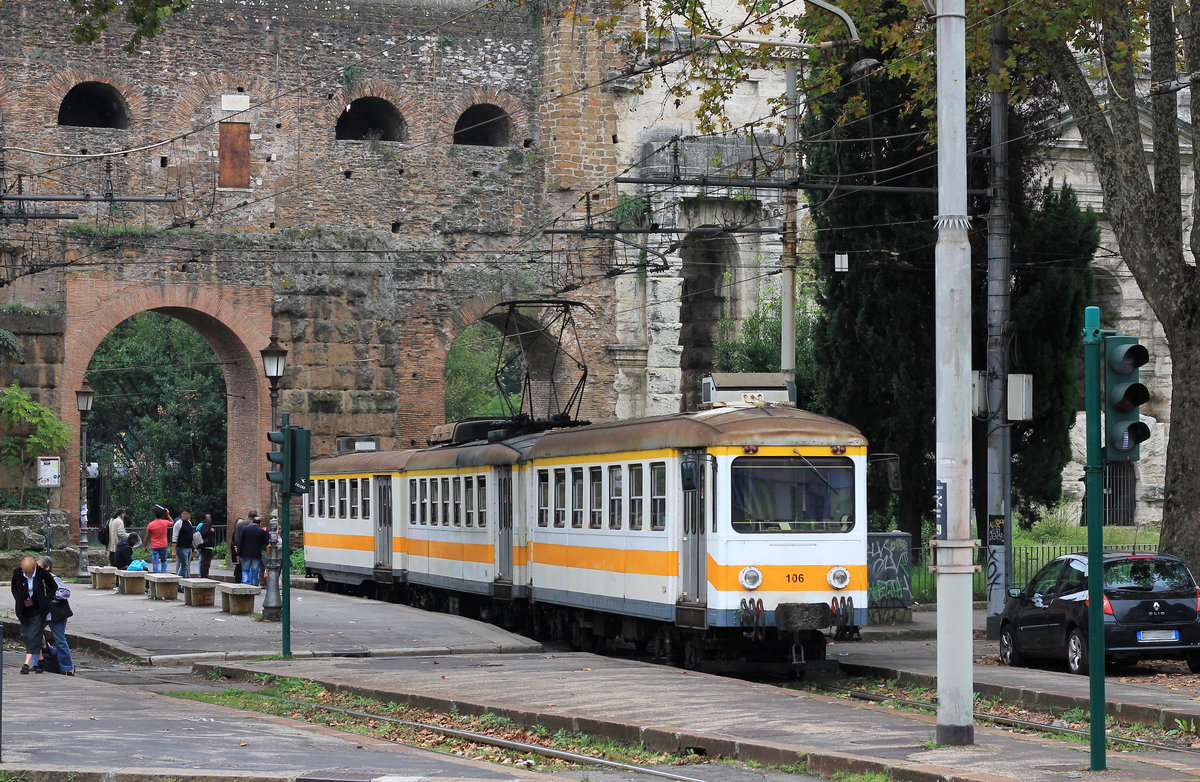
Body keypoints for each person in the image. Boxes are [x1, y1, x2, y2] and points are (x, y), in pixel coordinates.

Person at [10, 556, 55, 673]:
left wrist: (46, 600)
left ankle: (26, 664)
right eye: (26, 572)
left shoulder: (42, 573)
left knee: (33, 635)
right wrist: (19, 599)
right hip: (24, 609)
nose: (28, 575)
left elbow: (53, 587)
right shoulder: (18, 573)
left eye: (30, 573)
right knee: (28, 635)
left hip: (39, 609)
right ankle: (41, 660)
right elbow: (14, 588)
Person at [36, 556, 75, 676]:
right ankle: (37, 664)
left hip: (56, 614)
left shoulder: (53, 579)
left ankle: (68, 668)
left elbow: (65, 592)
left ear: (47, 568)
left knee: (60, 640)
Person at [237, 515, 270, 586]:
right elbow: (265, 543)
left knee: (245, 570)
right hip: (256, 554)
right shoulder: (261, 531)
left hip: (245, 553)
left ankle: (245, 583)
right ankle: (254, 584)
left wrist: (238, 553)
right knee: (255, 570)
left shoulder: (245, 529)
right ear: (259, 523)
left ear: (252, 522)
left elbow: (241, 542)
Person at [146, 508, 172, 574]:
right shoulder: (165, 522)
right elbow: (172, 522)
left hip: (154, 545)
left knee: (155, 562)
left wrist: (144, 546)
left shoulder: (150, 524)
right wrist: (167, 514)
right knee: (164, 560)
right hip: (163, 544)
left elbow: (147, 537)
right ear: (162, 515)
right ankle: (163, 573)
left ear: (154, 515)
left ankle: (156, 574)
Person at [172, 509, 195, 578]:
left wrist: (194, 547)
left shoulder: (189, 523)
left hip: (189, 547)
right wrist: (174, 550)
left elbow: (191, 536)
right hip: (182, 547)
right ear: (181, 514)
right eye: (184, 514)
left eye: (187, 514)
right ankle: (179, 582)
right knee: (184, 566)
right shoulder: (178, 523)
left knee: (187, 566)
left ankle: (185, 580)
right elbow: (174, 537)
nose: (186, 515)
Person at [231, 514, 251, 583]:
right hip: (238, 551)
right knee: (240, 567)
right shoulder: (235, 533)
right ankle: (238, 580)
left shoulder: (243, 532)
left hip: (241, 552)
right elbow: (234, 542)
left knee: (241, 567)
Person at [197, 512, 217, 578]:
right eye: (208, 518)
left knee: (206, 563)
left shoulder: (207, 525)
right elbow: (204, 534)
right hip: (206, 547)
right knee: (205, 563)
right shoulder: (205, 525)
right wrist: (211, 531)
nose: (210, 519)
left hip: (208, 546)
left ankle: (205, 575)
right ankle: (204, 576)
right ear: (204, 519)